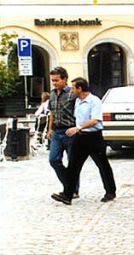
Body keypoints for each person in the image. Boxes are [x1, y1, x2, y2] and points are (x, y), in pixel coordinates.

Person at [51, 77, 116, 205]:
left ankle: (110, 191)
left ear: (80, 89)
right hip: (80, 137)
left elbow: (95, 120)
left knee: (102, 165)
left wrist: (78, 128)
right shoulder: (77, 101)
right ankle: (67, 195)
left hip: (94, 137)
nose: (72, 90)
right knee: (73, 166)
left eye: (74, 87)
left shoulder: (94, 101)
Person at [46, 66, 79, 198]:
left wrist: (78, 129)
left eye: (57, 80)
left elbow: (80, 112)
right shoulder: (52, 93)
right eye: (53, 80)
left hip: (70, 132)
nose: (54, 83)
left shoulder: (72, 94)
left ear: (65, 79)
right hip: (57, 132)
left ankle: (73, 190)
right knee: (53, 160)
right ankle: (68, 186)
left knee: (72, 163)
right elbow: (52, 113)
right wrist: (50, 129)